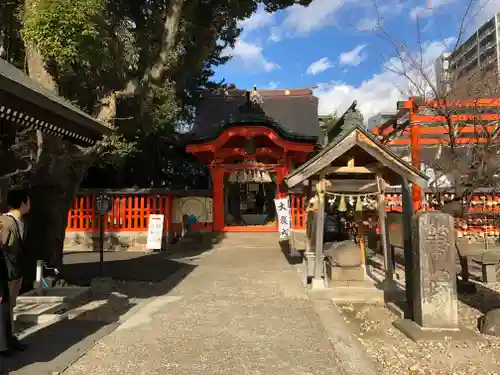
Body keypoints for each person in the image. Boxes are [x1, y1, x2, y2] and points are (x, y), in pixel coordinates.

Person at [0, 188, 30, 353]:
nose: (30, 204)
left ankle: (10, 338)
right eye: (28, 201)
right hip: (6, 271)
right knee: (5, 307)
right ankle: (5, 342)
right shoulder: (5, 222)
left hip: (16, 270)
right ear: (23, 203)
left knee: (11, 306)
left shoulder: (21, 222)